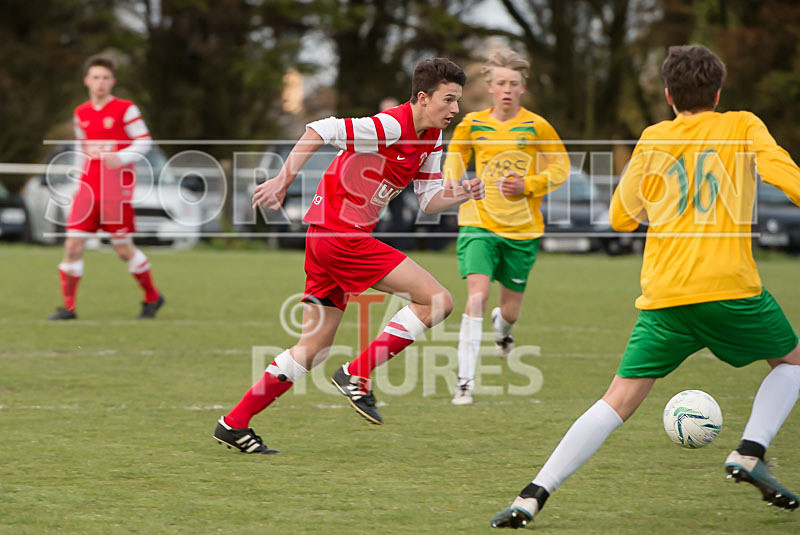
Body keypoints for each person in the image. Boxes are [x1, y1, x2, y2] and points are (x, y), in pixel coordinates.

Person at [490, 45, 800, 529]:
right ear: (718, 93)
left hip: (665, 296)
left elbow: (620, 216)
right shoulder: (743, 124)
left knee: (616, 400)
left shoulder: (653, 138)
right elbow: (784, 175)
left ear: (668, 95)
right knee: (793, 363)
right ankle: (751, 450)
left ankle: (533, 494)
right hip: (731, 289)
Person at [212, 58, 485, 454]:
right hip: (342, 237)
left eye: (457, 101)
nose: (455, 109)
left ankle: (234, 423)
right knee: (438, 300)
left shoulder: (431, 142)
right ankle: (357, 373)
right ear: (423, 98)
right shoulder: (392, 126)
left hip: (324, 238)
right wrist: (283, 179)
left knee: (314, 347)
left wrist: (463, 191)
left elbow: (428, 202)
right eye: (449, 100)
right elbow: (320, 129)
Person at [442, 50, 569, 405]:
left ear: (523, 88)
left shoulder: (537, 126)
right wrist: (455, 183)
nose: (507, 90)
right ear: (490, 87)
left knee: (509, 312)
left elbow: (560, 167)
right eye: (501, 83)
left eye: (514, 84)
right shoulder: (472, 124)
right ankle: (464, 382)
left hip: (522, 231)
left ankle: (504, 329)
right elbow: (455, 155)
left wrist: (528, 184)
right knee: (477, 296)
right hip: (479, 223)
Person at [48, 55, 164, 321]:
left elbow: (144, 142)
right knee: (72, 246)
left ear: (113, 81)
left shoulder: (126, 109)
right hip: (87, 189)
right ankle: (68, 308)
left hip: (115, 190)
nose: (100, 82)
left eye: (105, 78)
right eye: (96, 77)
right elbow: (81, 150)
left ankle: (152, 297)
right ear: (87, 81)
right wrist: (77, 182)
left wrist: (121, 157)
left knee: (123, 249)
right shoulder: (81, 113)